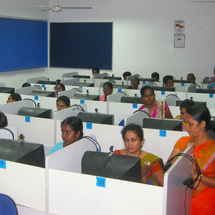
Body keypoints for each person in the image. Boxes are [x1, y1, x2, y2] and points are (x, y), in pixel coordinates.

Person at [167, 104, 215, 215]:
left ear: (202, 124)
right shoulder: (183, 142)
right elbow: (169, 171)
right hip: (180, 201)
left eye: (190, 124)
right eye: (185, 123)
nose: (186, 127)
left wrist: (198, 177)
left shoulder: (213, 148)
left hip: (205, 205)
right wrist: (184, 151)